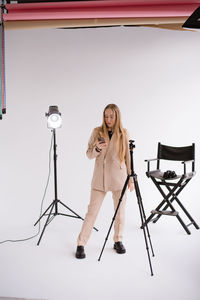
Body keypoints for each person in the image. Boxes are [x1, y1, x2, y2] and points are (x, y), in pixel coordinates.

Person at [75, 103, 134, 259]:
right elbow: (89, 154)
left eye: (111, 116)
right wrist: (97, 148)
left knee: (120, 212)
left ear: (117, 117)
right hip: (99, 179)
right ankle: (81, 243)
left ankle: (118, 240)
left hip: (119, 178)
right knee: (91, 212)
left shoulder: (124, 133)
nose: (108, 119)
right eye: (106, 116)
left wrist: (131, 179)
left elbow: (128, 157)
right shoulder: (97, 132)